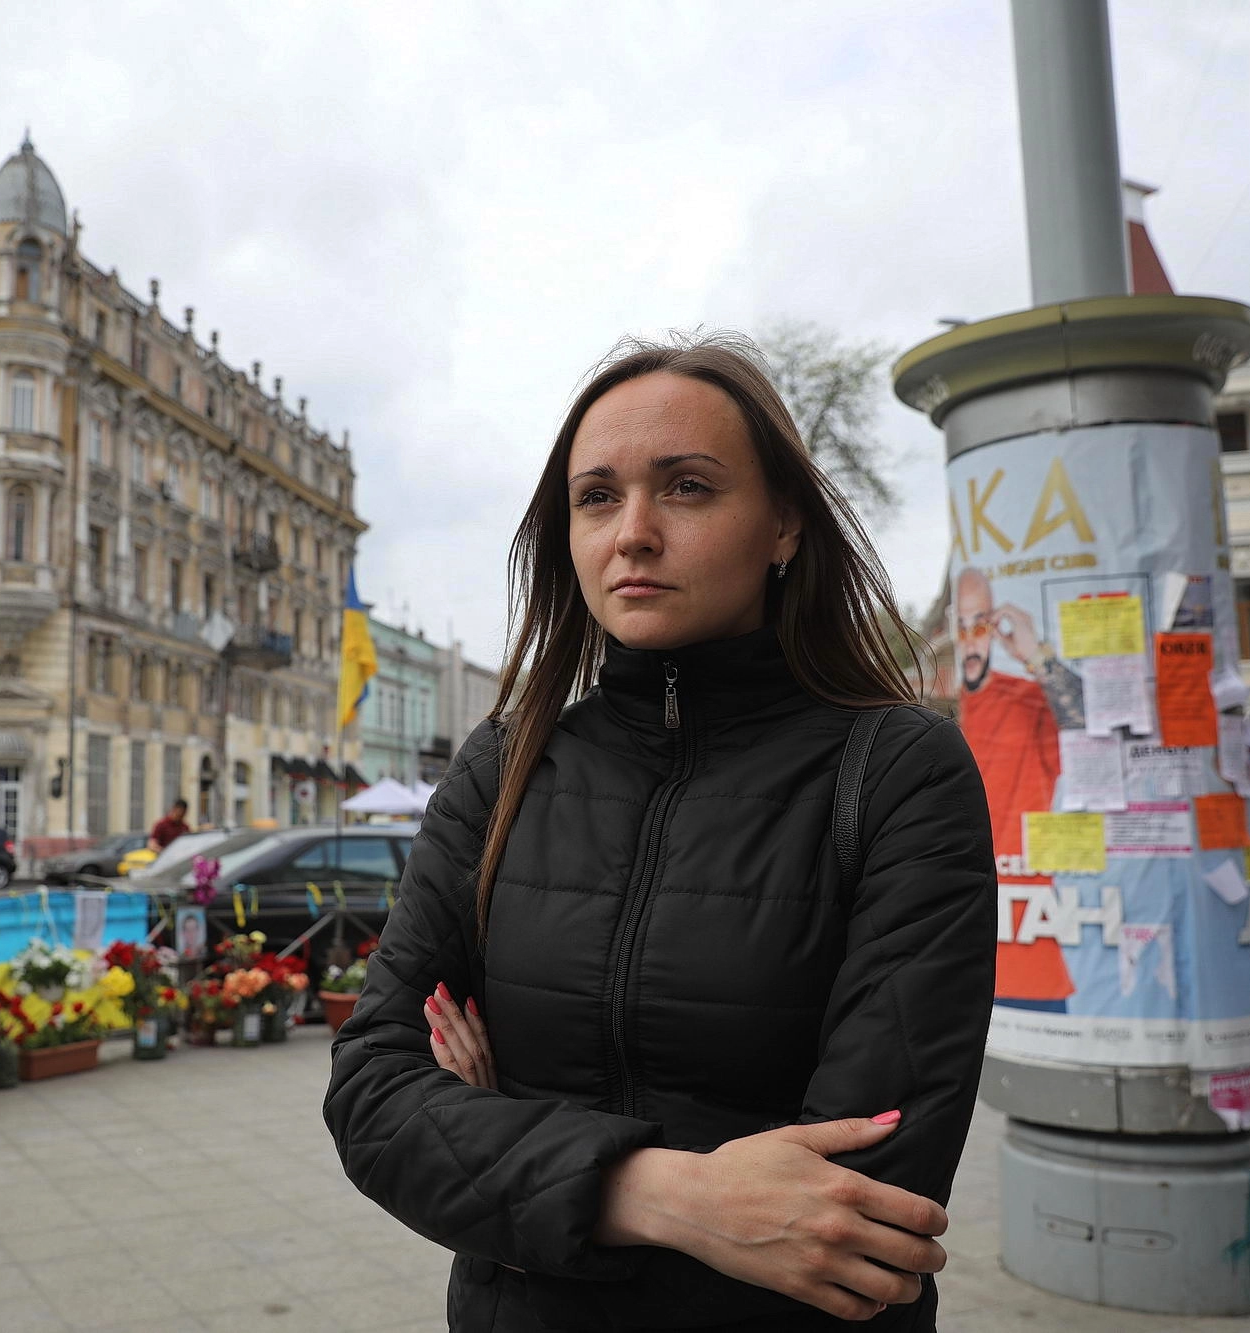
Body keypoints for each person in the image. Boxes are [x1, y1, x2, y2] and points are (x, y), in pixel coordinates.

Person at [325, 333, 996, 1331]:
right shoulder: (505, 767)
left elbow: (857, 1206)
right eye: (595, 497)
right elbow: (376, 1097)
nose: (631, 532)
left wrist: (504, 1131)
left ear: (781, 527)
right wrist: (673, 1195)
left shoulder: (900, 770)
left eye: (684, 487)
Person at [951, 566, 1081, 1012]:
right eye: (963, 626)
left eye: (981, 623)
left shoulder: (1029, 698)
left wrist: (1035, 653)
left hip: (1028, 960)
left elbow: (1096, 733)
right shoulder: (937, 707)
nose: (971, 639)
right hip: (954, 957)